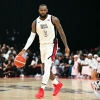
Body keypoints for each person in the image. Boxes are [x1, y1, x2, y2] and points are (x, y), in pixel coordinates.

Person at [18, 4, 70, 99]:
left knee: (46, 66)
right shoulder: (35, 22)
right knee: (45, 68)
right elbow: (31, 37)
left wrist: (66, 46)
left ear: (47, 10)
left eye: (44, 10)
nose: (43, 12)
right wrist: (24, 49)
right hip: (42, 46)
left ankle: (41, 89)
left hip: (52, 45)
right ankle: (57, 84)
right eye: (41, 10)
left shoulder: (53, 19)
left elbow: (61, 32)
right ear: (38, 10)